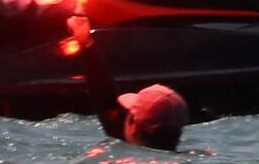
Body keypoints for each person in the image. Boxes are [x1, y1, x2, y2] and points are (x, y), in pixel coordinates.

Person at [67, 15, 189, 151]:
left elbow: (106, 103)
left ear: (134, 126)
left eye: (128, 113)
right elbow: (108, 108)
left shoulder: (123, 163)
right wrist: (87, 44)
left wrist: (87, 45)